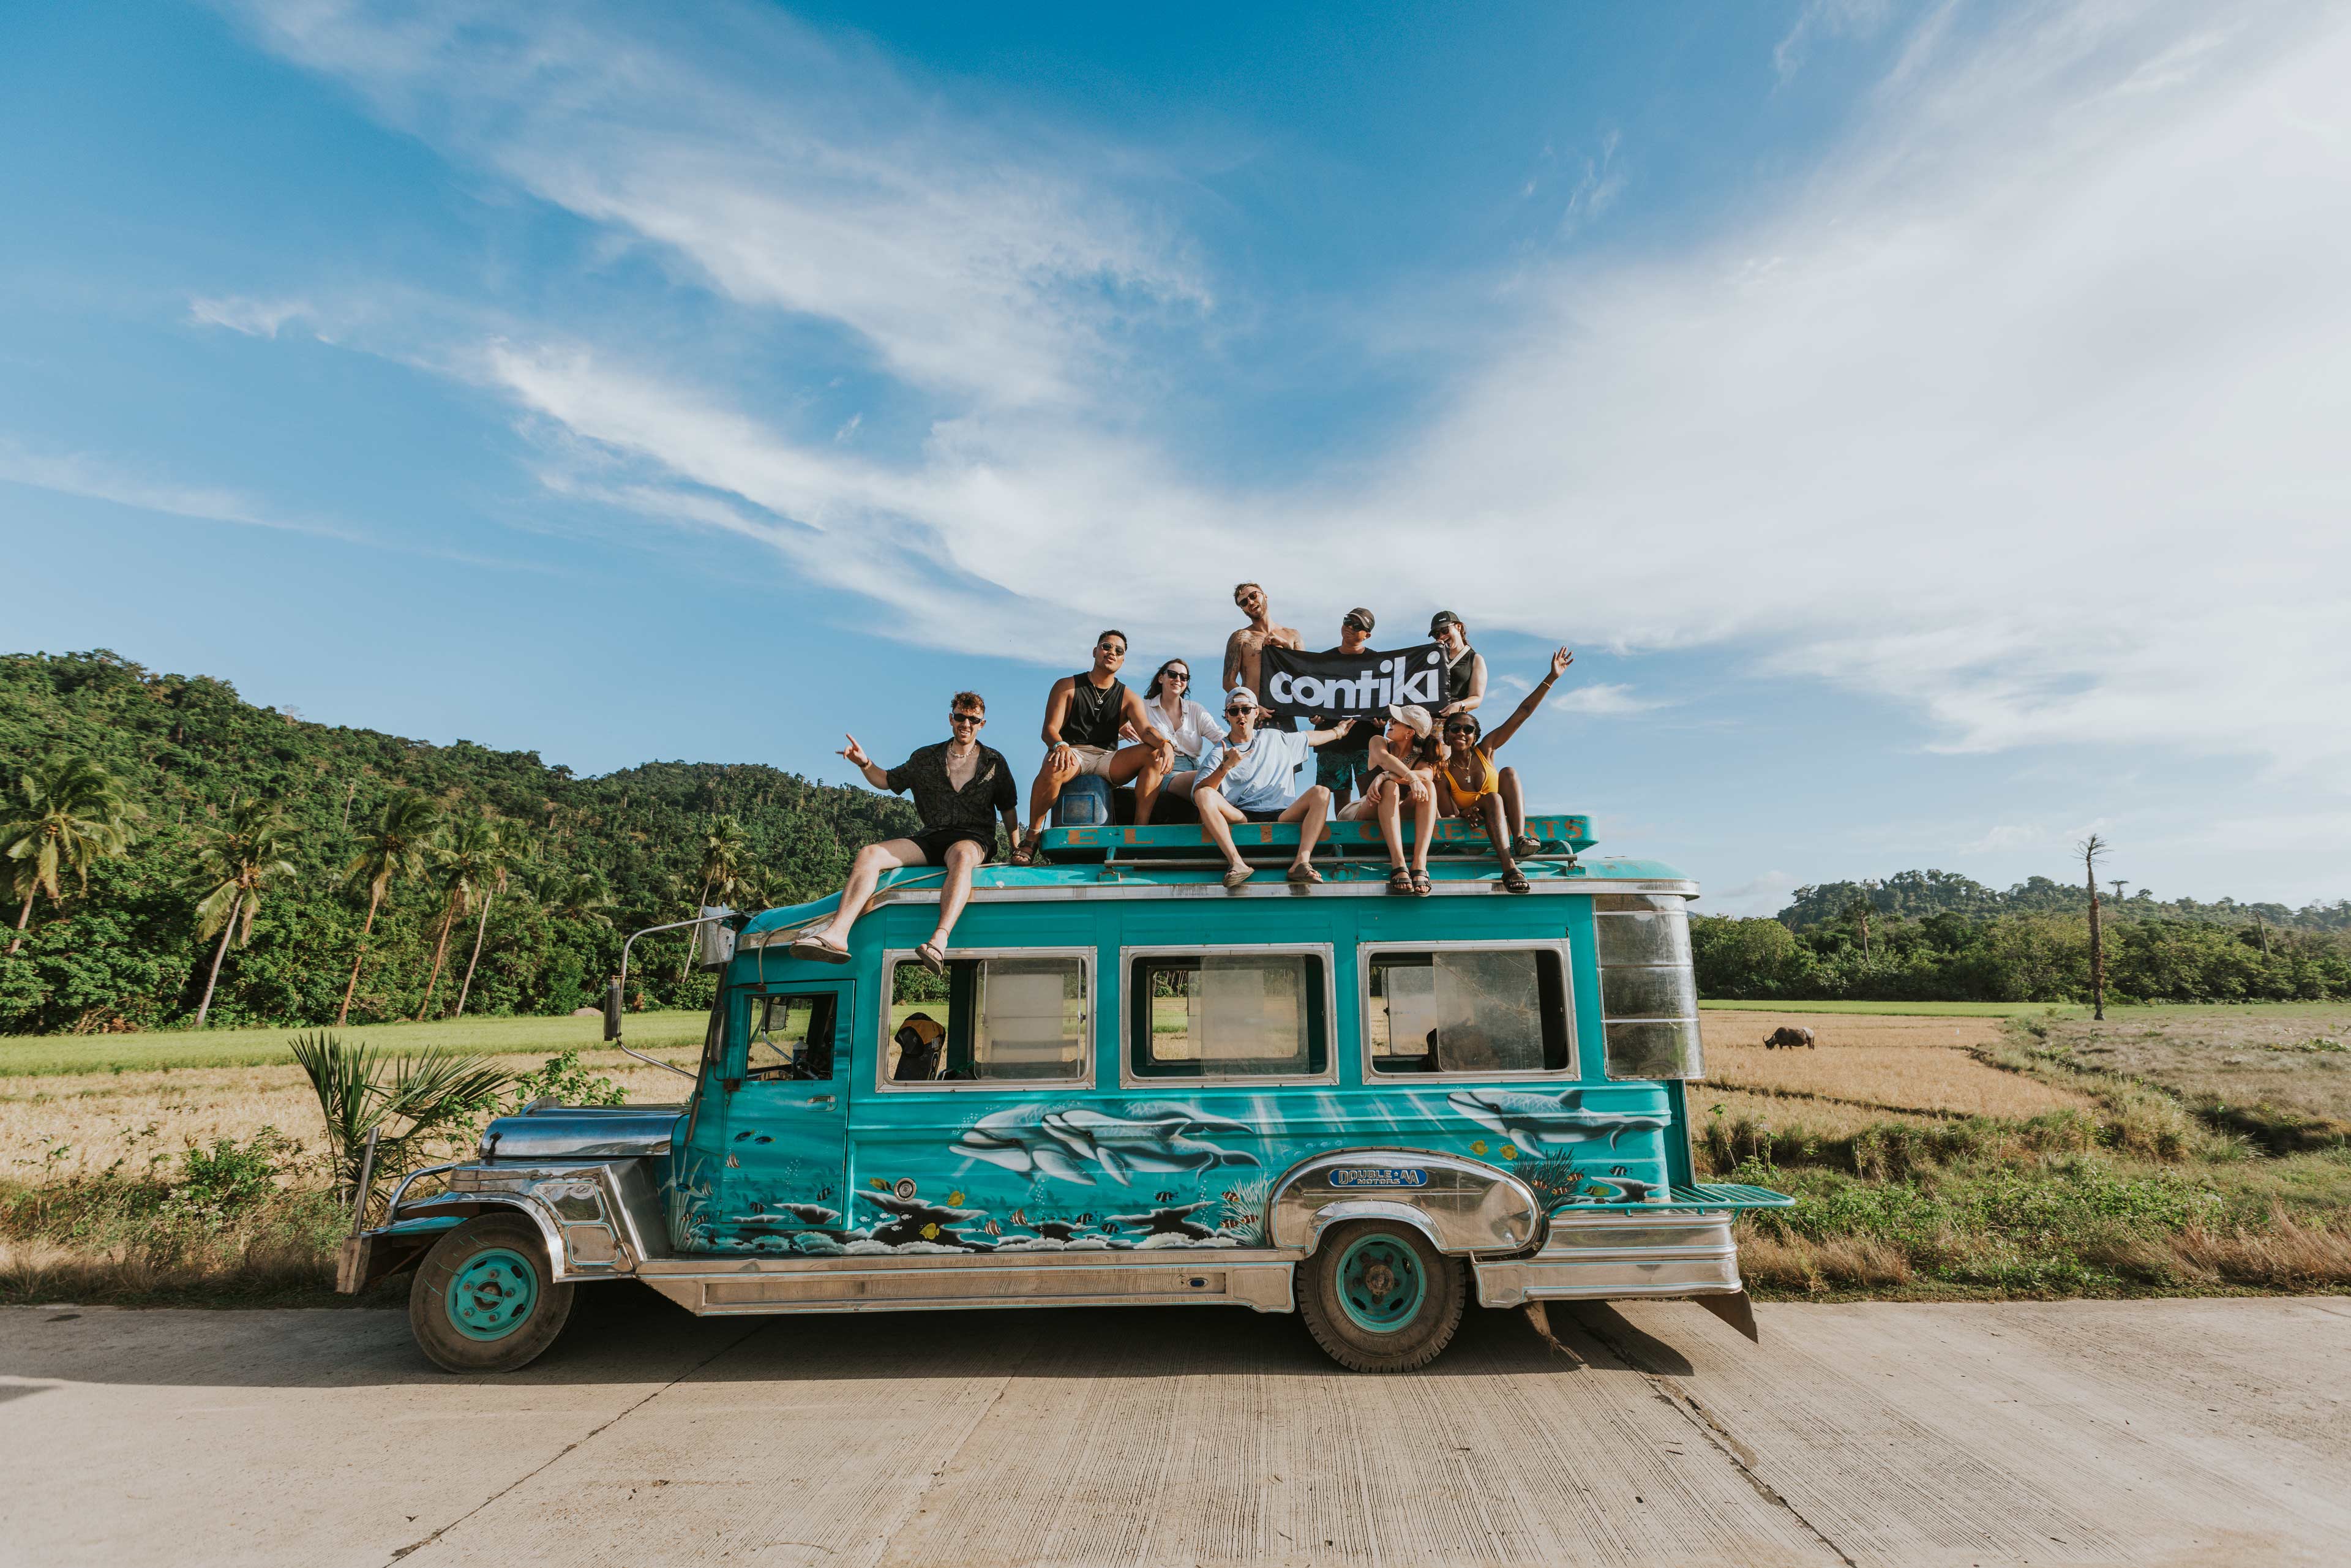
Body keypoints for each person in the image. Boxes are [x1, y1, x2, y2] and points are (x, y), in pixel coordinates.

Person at [795, 691, 1019, 973]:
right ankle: (837, 935)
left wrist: (1017, 850)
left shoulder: (995, 762)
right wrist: (865, 763)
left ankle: (939, 941)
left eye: (973, 720)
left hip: (973, 838)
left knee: (962, 855)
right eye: (961, 717)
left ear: (982, 724)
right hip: (932, 835)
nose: (966, 724)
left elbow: (1008, 810)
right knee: (870, 854)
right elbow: (887, 781)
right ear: (951, 719)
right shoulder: (925, 758)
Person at [1013, 631, 1174, 862]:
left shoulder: (1129, 697)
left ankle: (1140, 833)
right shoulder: (1067, 686)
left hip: (1107, 758)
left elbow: (1146, 730)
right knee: (1053, 765)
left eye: (1119, 651)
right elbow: (1049, 730)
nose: (1112, 653)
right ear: (1095, 651)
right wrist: (1060, 745)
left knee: (1154, 754)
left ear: (1123, 660)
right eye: (1106, 646)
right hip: (1073, 753)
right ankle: (1032, 838)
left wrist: (1165, 744)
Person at [1437, 647, 1574, 893]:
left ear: (1475, 736)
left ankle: (1520, 838)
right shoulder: (1443, 773)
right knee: (1492, 798)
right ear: (1446, 736)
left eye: (1467, 730)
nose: (1461, 733)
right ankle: (1509, 867)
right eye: (1455, 729)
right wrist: (1471, 810)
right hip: (1473, 837)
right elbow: (1451, 817)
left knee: (1508, 773)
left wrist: (1551, 678)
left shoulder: (1486, 750)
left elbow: (1522, 714)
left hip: (1501, 824)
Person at [1191, 688, 1353, 890]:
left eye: (1246, 709)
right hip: (1242, 815)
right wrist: (1225, 767)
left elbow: (1309, 737)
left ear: (1256, 712)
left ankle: (1302, 862)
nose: (1241, 715)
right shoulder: (1220, 751)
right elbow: (1200, 793)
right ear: (1227, 716)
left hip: (1282, 812)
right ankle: (1237, 863)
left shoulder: (1275, 737)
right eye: (1234, 711)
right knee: (1205, 794)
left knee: (1322, 792)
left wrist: (1338, 732)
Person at [1337, 703, 1446, 895]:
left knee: (1426, 786)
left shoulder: (1419, 759)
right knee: (1390, 787)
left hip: (1396, 813)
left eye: (1396, 721)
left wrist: (1385, 776)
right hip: (1365, 808)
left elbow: (1427, 777)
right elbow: (1384, 759)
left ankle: (1420, 864)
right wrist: (1410, 777)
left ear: (1410, 733)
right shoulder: (1379, 741)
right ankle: (1398, 863)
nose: (1390, 722)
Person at [1310, 607, 1381, 811]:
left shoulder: (1379, 662)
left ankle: (1366, 841)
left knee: (1370, 793)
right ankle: (1343, 840)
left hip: (1367, 739)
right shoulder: (1322, 661)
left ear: (1367, 635)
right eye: (1348, 621)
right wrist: (1313, 715)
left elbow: (1389, 697)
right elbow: (1310, 694)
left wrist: (1384, 718)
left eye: (1357, 625)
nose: (1350, 627)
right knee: (1339, 795)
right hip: (1331, 737)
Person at [1136, 658, 1227, 806]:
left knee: (1226, 778)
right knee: (1211, 783)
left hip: (1196, 767)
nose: (1178, 679)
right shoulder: (1144, 707)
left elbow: (1221, 738)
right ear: (1161, 678)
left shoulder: (1195, 710)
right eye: (1173, 674)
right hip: (1162, 772)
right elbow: (1117, 730)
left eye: (1184, 677)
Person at [1221, 582, 1302, 702]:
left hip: (1286, 712)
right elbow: (1228, 682)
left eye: (1253, 596)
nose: (1250, 602)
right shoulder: (1241, 637)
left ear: (1265, 596)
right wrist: (1251, 705)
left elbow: (1303, 676)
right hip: (1255, 714)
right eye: (1244, 602)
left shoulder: (1293, 635)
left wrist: (1286, 646)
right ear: (1243, 609)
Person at [1428, 610, 1487, 720]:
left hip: (1453, 722)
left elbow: (1477, 698)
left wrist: (1459, 705)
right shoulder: (1431, 658)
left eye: (1445, 630)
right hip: (1426, 722)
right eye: (1437, 634)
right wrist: (1430, 655)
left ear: (1458, 627)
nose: (1442, 636)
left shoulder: (1474, 659)